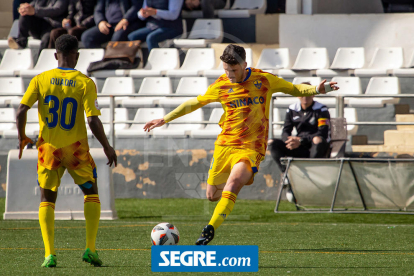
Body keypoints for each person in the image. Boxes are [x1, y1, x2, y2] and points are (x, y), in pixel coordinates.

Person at [143, 44, 339, 245]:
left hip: (251, 147)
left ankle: (209, 230)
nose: (229, 74)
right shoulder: (220, 85)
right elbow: (195, 103)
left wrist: (317, 89)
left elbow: (293, 88)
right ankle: (220, 209)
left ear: (245, 65)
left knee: (234, 182)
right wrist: (165, 119)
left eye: (233, 70)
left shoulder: (263, 79)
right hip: (225, 145)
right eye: (226, 69)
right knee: (211, 196)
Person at [16, 34, 117, 267]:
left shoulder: (41, 79)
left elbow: (21, 110)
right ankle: (90, 249)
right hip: (76, 150)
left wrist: (22, 137)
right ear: (77, 56)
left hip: (48, 150)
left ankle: (49, 255)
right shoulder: (85, 82)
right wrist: (107, 146)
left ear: (55, 55)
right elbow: (92, 120)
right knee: (91, 194)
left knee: (47, 199)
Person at [268, 84, 331, 203]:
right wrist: (290, 141)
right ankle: (286, 174)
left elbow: (323, 132)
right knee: (272, 143)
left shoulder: (322, 109)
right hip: (299, 146)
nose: (305, 97)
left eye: (308, 93)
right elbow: (285, 130)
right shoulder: (292, 109)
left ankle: (310, 178)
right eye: (302, 94)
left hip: (316, 146)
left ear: (313, 94)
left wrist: (300, 140)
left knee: (317, 139)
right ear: (297, 95)